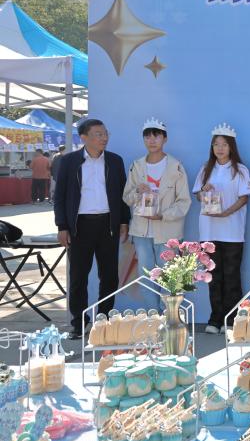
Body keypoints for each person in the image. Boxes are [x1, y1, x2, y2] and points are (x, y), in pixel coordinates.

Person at [53, 119, 130, 339]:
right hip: (79, 226)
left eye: (105, 134)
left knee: (110, 276)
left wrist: (124, 221)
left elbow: (122, 194)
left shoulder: (115, 161)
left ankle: (103, 321)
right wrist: (62, 226)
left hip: (108, 224)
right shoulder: (69, 161)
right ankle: (78, 323)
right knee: (78, 276)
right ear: (84, 137)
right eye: (98, 134)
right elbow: (59, 196)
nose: (104, 138)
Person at [123, 118, 192, 308]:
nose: (152, 140)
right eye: (147, 136)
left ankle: (170, 317)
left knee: (170, 277)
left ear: (165, 139)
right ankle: (153, 315)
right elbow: (126, 197)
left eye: (156, 136)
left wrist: (163, 215)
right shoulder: (136, 165)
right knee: (146, 277)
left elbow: (184, 201)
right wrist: (137, 191)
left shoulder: (176, 166)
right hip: (141, 232)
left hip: (168, 231)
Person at [193, 123, 250, 334]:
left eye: (224, 144)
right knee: (213, 276)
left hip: (232, 231)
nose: (220, 148)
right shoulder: (205, 169)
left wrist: (227, 212)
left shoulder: (240, 170)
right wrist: (204, 190)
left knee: (232, 275)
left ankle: (233, 319)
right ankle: (215, 319)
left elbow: (244, 198)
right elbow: (198, 195)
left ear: (231, 147)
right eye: (216, 144)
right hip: (209, 231)